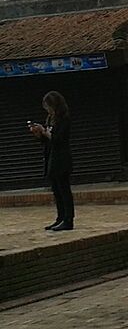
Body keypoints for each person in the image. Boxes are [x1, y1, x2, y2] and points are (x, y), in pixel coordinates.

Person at [29, 91, 74, 231]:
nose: (48, 110)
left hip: (62, 158)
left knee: (64, 189)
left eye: (49, 107)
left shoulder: (64, 119)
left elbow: (59, 139)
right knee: (56, 190)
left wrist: (46, 132)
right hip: (51, 157)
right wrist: (39, 134)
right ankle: (60, 217)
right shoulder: (50, 119)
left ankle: (68, 219)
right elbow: (47, 141)